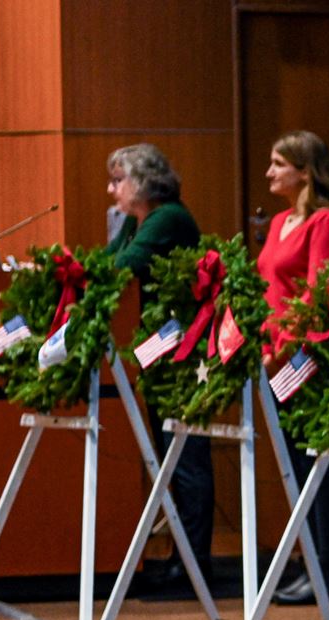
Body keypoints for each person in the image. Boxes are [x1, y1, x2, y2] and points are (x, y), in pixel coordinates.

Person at [104, 143, 215, 591]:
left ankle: (195, 565)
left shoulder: (168, 218)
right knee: (170, 458)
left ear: (143, 182)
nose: (110, 190)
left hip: (182, 355)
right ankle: (183, 557)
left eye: (117, 180)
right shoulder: (138, 222)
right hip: (157, 354)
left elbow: (124, 267)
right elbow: (109, 261)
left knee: (184, 459)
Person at [256, 131, 329, 604]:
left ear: (305, 171)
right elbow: (268, 290)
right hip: (273, 355)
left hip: (305, 356)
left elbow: (319, 293)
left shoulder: (327, 221)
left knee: (315, 460)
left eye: (279, 163)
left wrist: (285, 348)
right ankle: (311, 558)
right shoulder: (278, 223)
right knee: (294, 461)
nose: (270, 172)